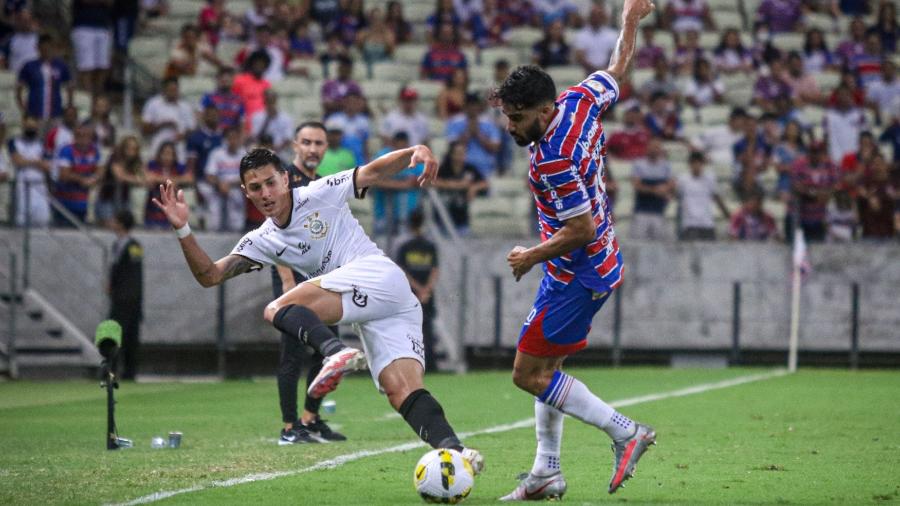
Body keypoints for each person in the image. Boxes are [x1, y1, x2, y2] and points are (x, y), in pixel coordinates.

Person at [151, 145, 484, 474]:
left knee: (277, 309)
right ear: (245, 192)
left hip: (377, 275)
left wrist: (415, 151)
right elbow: (210, 275)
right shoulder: (262, 239)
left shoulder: (318, 192)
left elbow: (373, 171)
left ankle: (334, 351)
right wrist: (183, 229)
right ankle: (457, 451)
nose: (265, 193)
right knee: (401, 391)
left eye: (271, 182)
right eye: (255, 187)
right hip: (380, 308)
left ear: (285, 179)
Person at [493, 0, 656, 500]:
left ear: (545, 111)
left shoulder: (553, 158)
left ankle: (625, 431)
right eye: (506, 116)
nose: (510, 127)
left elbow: (579, 228)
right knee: (548, 368)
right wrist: (629, 20)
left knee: (527, 374)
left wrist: (529, 256)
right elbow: (616, 70)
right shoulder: (581, 99)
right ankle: (546, 471)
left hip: (578, 271)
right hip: (589, 264)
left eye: (517, 118)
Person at [269, 121, 347, 445]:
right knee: (293, 352)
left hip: (321, 279)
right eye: (307, 142)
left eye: (319, 143)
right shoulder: (284, 181)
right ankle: (289, 427)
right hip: (294, 279)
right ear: (295, 145)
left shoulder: (320, 184)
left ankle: (310, 419)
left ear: (326, 148)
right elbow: (275, 233)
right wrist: (287, 281)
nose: (313, 148)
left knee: (327, 351)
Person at [394, 208, 439, 372]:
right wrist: (426, 290)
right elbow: (435, 269)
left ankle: (411, 364)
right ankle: (430, 364)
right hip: (426, 295)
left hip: (411, 294)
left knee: (408, 330)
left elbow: (402, 271)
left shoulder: (405, 246)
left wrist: (418, 289)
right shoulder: (429, 245)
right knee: (426, 329)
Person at [108, 209, 143, 380]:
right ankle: (112, 369)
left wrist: (131, 295)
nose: (111, 222)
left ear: (121, 223)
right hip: (118, 296)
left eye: (114, 220)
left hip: (129, 298)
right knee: (115, 334)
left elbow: (135, 273)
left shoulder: (134, 246)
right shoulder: (116, 245)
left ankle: (130, 371)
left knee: (130, 336)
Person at [16, 34, 73, 124]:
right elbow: (19, 88)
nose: (46, 51)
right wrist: (23, 107)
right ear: (38, 48)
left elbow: (69, 86)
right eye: (43, 48)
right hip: (34, 113)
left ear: (53, 47)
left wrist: (69, 105)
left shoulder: (61, 66)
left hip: (55, 113)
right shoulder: (29, 66)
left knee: (54, 137)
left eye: (48, 47)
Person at [8, 115, 52, 227]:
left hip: (40, 186)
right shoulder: (14, 142)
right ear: (23, 125)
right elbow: (18, 161)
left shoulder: (42, 143)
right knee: (22, 222)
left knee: (43, 220)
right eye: (28, 125)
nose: (30, 128)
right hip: (22, 186)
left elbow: (47, 166)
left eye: (33, 126)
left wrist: (27, 161)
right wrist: (37, 162)